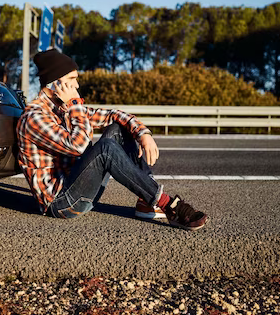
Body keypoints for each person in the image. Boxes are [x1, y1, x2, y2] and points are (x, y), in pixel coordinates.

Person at [16, 50, 207, 230]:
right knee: (105, 148)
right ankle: (168, 204)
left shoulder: (63, 109)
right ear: (55, 84)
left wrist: (143, 134)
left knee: (117, 128)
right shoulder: (34, 117)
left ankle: (146, 202)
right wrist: (75, 105)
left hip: (80, 188)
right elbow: (77, 146)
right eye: (72, 80)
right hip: (62, 203)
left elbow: (113, 115)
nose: (77, 86)